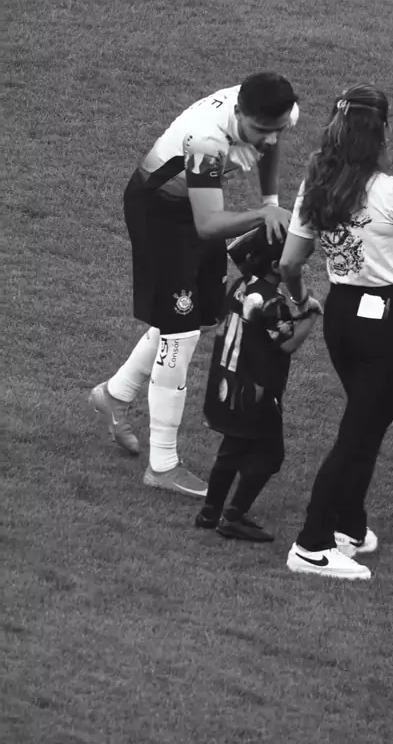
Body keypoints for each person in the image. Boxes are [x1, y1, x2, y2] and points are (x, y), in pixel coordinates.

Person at [279, 84, 393, 581]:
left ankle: (349, 527)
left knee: (365, 424)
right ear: (380, 133)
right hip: (390, 324)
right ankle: (312, 545)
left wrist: (300, 300)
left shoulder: (315, 181)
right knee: (359, 433)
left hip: (342, 317)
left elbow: (290, 262)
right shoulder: (391, 189)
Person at [89, 73, 299, 497]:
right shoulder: (206, 141)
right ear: (239, 112)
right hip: (161, 214)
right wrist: (263, 215)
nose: (270, 139)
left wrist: (272, 203)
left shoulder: (277, 112)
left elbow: (270, 146)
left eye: (277, 129)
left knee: (203, 316)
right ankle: (162, 464)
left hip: (196, 207)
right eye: (261, 129)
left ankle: (115, 394)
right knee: (180, 332)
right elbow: (208, 225)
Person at [196, 225, 321, 540]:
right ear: (276, 266)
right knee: (270, 456)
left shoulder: (242, 285)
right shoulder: (271, 302)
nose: (299, 264)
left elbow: (262, 325)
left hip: (228, 382)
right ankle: (232, 516)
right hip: (256, 392)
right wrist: (310, 316)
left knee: (232, 449)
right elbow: (287, 343)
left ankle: (209, 513)